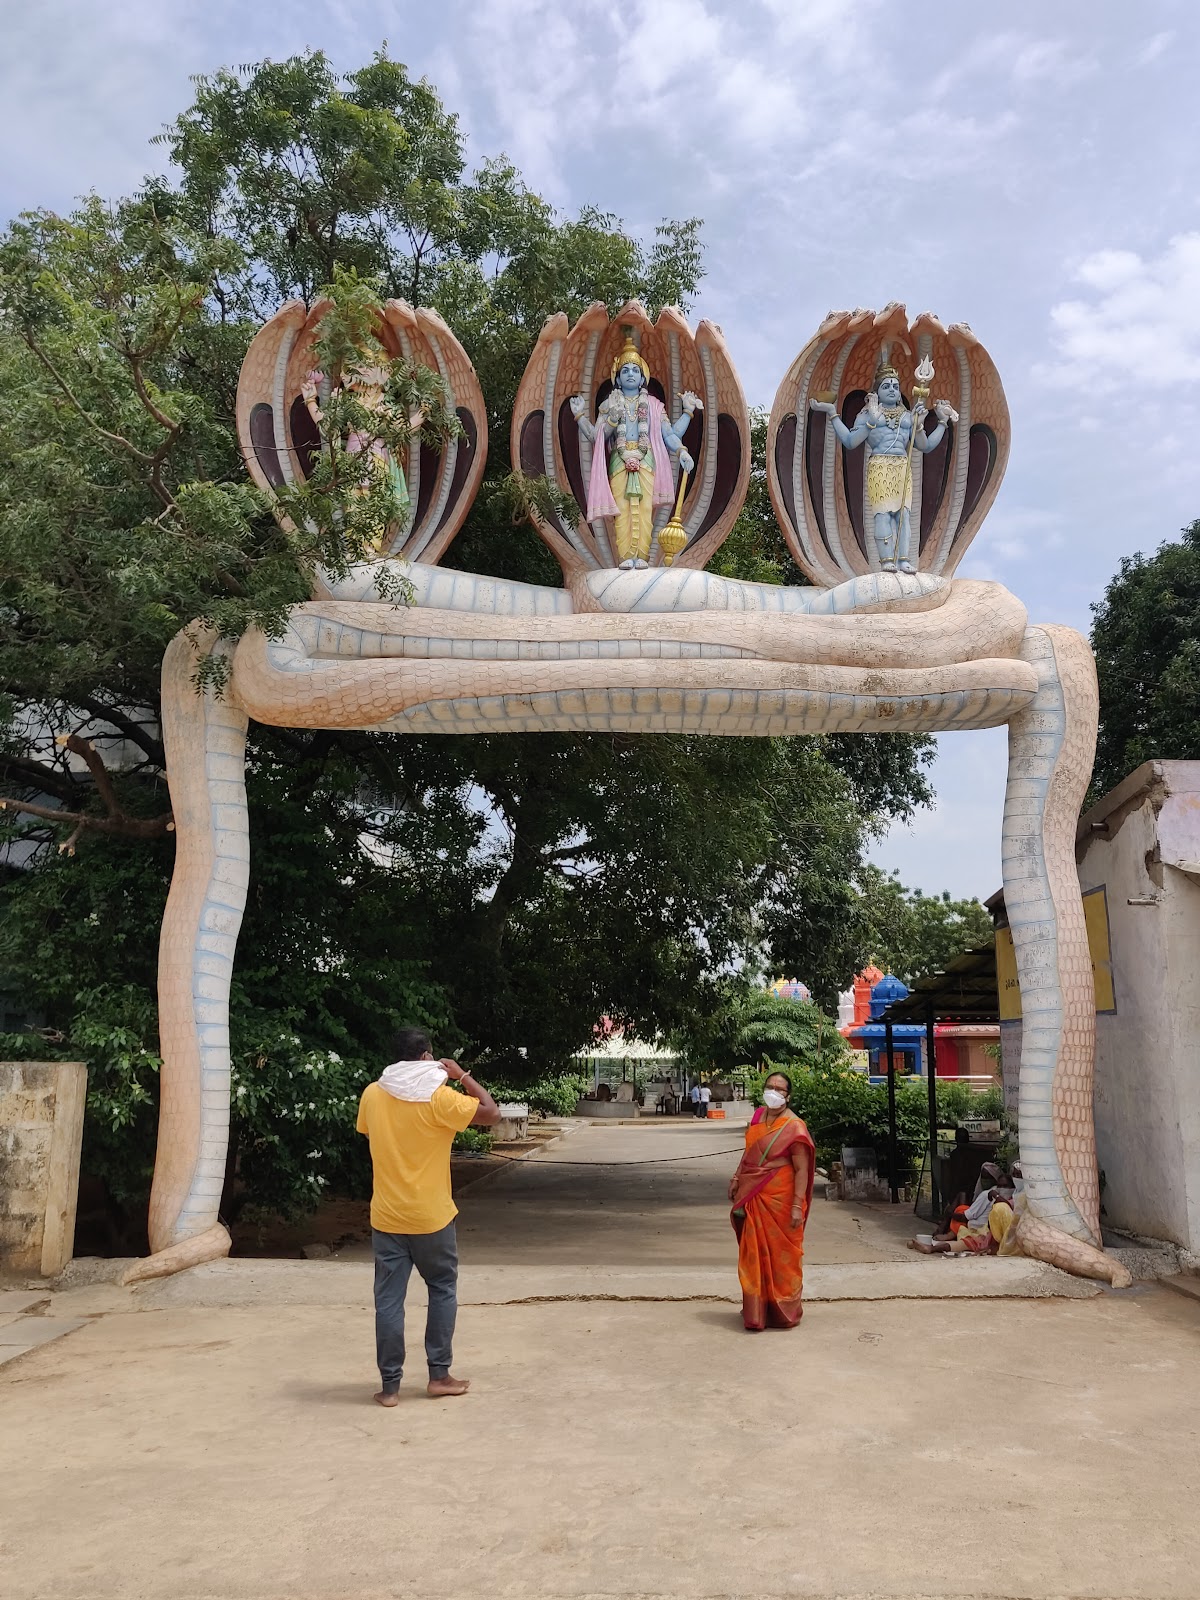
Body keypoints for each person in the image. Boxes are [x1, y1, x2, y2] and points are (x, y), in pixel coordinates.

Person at [356, 1026, 501, 1406]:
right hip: (431, 1217)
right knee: (442, 1289)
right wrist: (462, 1075)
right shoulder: (441, 1099)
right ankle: (439, 1376)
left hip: (387, 1216)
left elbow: (370, 1134)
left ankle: (390, 1387)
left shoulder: (373, 1094)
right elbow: (491, 1113)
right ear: (426, 1056)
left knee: (388, 1301)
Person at [727, 1071, 816, 1330]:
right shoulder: (757, 1116)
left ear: (788, 1095)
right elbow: (749, 1153)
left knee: (782, 1256)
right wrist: (736, 1177)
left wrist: (798, 1205)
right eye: (770, 1087)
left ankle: (784, 1311)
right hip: (753, 1192)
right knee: (752, 1253)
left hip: (782, 1198)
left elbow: (802, 1169)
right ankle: (756, 1311)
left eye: (780, 1088)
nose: (774, 1092)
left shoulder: (795, 1127)